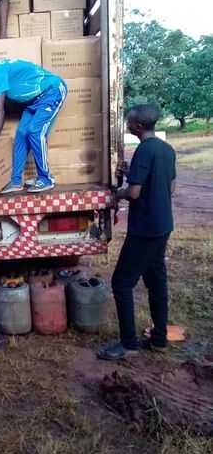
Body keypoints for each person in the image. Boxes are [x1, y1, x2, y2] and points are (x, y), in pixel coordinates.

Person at [97, 104, 177, 361]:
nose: (127, 125)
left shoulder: (144, 150)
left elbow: (133, 193)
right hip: (163, 226)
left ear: (138, 127)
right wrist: (131, 174)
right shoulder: (166, 149)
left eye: (129, 122)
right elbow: (170, 187)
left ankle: (128, 345)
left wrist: (113, 194)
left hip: (144, 229)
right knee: (156, 283)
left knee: (121, 283)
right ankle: (160, 340)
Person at [0, 50, 67, 193]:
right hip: (33, 101)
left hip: (52, 91)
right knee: (22, 133)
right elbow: (1, 109)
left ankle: (46, 179)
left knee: (35, 131)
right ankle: (15, 181)